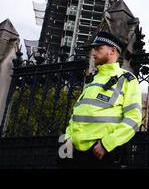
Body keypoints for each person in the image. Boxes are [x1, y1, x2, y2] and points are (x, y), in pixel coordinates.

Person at [60, 31, 142, 168]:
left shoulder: (127, 79)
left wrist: (107, 144)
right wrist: (67, 138)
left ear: (112, 51)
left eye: (98, 49)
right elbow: (77, 114)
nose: (93, 53)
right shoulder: (93, 79)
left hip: (100, 153)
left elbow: (134, 119)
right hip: (72, 152)